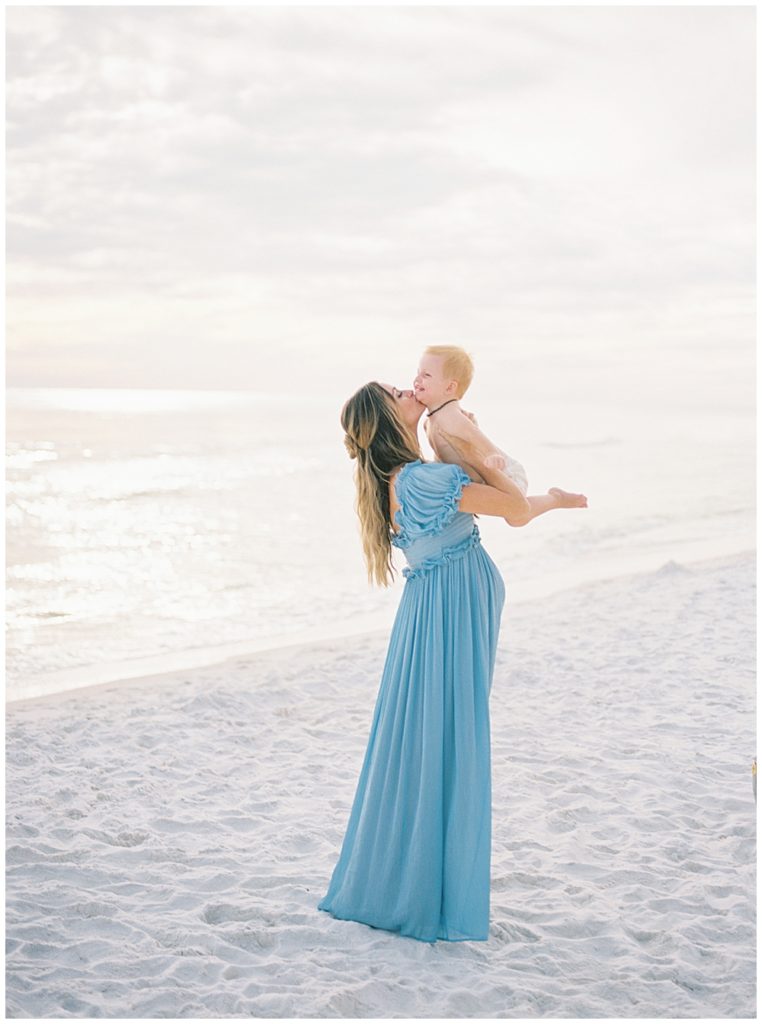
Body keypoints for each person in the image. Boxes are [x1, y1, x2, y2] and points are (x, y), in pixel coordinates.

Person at [317, 380, 530, 944]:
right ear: (389, 417)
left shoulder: (399, 479)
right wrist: (474, 440)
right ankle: (424, 889)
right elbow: (514, 507)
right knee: (447, 738)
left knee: (424, 738)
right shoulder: (424, 479)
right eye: (396, 390)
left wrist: (456, 444)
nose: (408, 386)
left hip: (433, 612)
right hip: (450, 611)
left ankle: (406, 878)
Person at [414, 345, 588, 526]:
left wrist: (491, 454)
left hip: (505, 472)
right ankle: (556, 498)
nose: (417, 379)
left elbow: (475, 435)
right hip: (486, 480)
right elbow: (443, 456)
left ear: (450, 387)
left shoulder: (450, 415)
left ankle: (556, 498)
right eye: (418, 373)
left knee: (516, 517)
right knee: (516, 518)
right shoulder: (430, 421)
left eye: (426, 375)